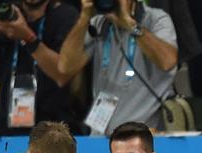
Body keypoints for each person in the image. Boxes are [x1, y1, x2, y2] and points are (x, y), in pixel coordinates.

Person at [58, 0, 178, 135]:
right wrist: (84, 18)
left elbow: (168, 61)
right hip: (102, 135)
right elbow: (65, 67)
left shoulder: (155, 18)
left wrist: (130, 24)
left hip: (143, 136)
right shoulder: (99, 23)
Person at [0, 0, 80, 135]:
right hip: (7, 130)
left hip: (51, 133)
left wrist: (27, 37)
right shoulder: (9, 15)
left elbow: (62, 74)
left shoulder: (66, 16)